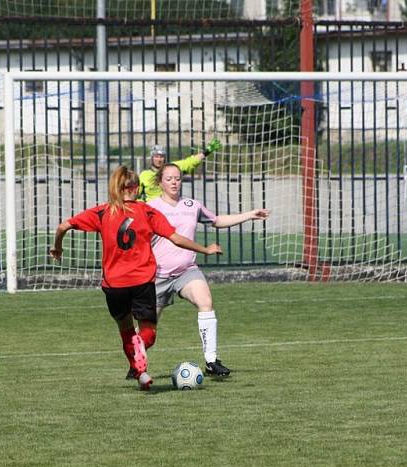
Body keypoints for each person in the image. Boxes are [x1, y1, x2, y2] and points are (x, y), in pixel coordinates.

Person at [49, 165, 222, 390]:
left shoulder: (102, 212)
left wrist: (57, 247)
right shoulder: (147, 212)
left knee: (126, 330)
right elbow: (176, 239)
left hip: (114, 285)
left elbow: (64, 225)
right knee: (147, 333)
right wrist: (205, 250)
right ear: (137, 188)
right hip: (142, 282)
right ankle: (140, 348)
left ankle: (140, 373)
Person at [148, 163, 269, 376]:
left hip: (186, 270)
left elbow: (217, 220)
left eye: (177, 178)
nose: (174, 182)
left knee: (206, 302)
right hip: (157, 275)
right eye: (169, 179)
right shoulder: (150, 207)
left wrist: (250, 214)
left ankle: (211, 361)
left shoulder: (191, 205)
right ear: (160, 183)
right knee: (148, 331)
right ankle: (136, 362)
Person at [137, 138, 222, 202]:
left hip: (170, 209)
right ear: (152, 158)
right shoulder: (144, 175)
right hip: (151, 212)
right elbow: (136, 195)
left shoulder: (172, 169)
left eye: (161, 156)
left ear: (165, 158)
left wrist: (206, 152)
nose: (159, 159)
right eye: (156, 156)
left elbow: (189, 162)